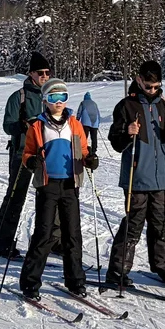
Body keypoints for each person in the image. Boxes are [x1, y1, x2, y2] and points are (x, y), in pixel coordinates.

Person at [103, 60, 165, 290]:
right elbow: (116, 142)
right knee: (134, 225)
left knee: (160, 224)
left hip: (159, 178)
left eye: (156, 86)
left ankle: (162, 266)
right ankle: (118, 270)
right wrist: (128, 133)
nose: (153, 90)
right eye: (148, 86)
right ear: (138, 80)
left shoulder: (163, 106)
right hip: (136, 177)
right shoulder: (126, 106)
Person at [18, 78, 98, 299]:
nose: (59, 102)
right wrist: (31, 161)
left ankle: (76, 281)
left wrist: (89, 158)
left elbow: (82, 149)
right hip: (47, 184)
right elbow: (27, 153)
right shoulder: (37, 125)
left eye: (63, 97)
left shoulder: (74, 123)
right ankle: (30, 283)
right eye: (54, 97)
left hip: (70, 184)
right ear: (45, 100)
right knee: (44, 234)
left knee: (72, 234)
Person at [0, 52, 61, 259]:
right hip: (23, 153)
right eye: (40, 72)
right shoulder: (19, 96)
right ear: (31, 73)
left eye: (47, 72)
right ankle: (4, 242)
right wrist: (23, 126)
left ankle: (51, 240)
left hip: (49, 154)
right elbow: (8, 125)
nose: (44, 76)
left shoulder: (51, 96)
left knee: (51, 198)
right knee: (16, 196)